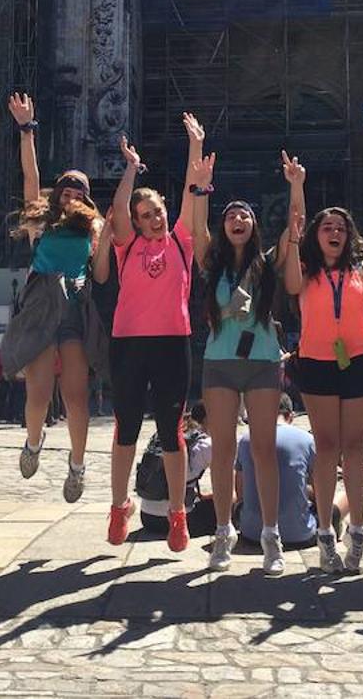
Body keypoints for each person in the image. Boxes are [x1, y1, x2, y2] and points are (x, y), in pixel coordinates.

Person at [283, 172, 363, 575]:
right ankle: (326, 537)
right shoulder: (306, 269)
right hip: (315, 362)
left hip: (358, 362)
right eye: (327, 227)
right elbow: (290, 284)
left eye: (341, 228)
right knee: (326, 447)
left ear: (349, 236)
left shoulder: (362, 268)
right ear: (316, 234)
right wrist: (295, 233)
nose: (334, 232)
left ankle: (359, 529)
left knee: (355, 450)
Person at [190, 147, 295, 573]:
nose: (237, 220)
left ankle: (271, 534)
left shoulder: (268, 265)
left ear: (254, 226)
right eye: (231, 216)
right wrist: (200, 184)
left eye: (245, 216)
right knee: (223, 451)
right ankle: (222, 532)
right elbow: (196, 228)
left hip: (263, 361)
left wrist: (297, 187)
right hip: (220, 360)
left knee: (264, 450)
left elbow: (295, 228)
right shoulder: (212, 265)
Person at [105, 117, 206, 551]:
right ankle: (117, 508)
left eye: (157, 210)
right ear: (136, 222)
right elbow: (120, 207)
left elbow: (190, 194)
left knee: (171, 429)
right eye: (145, 215)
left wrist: (195, 146)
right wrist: (131, 168)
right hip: (128, 342)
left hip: (172, 341)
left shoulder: (182, 242)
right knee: (125, 425)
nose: (154, 217)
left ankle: (178, 513)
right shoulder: (127, 245)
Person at [2, 93, 105, 502]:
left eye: (78, 189)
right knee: (39, 393)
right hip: (42, 303)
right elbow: (30, 178)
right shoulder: (41, 221)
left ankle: (77, 466)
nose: (71, 193)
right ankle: (33, 441)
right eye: (65, 188)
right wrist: (27, 129)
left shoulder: (93, 226)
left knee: (76, 395)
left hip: (75, 306)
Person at [235, 395, 350, 549]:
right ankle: (332, 527)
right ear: (291, 415)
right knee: (345, 496)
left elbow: (240, 491)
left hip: (251, 532)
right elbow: (321, 492)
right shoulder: (307, 440)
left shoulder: (246, 439)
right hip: (298, 534)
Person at [140, 402, 215, 538]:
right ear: (207, 419)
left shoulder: (163, 434)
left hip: (147, 518)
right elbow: (228, 491)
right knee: (226, 507)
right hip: (179, 521)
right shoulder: (205, 444)